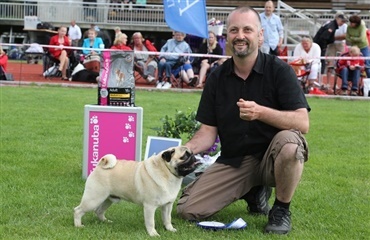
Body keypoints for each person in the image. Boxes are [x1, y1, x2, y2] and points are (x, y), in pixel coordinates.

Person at [176, 6, 310, 235]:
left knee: (291, 143)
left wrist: (261, 112)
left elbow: (302, 123)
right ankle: (254, 192)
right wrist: (182, 150)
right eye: (234, 30)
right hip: (236, 161)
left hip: (272, 156)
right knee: (187, 210)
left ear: (260, 35)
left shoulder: (280, 71)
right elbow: (207, 133)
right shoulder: (217, 77)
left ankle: (280, 209)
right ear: (226, 36)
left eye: (248, 30)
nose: (240, 36)